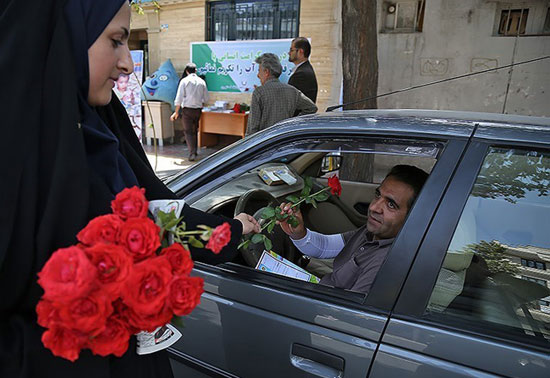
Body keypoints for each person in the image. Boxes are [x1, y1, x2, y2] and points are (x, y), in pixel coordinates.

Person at [0, 1, 259, 377]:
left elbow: (157, 208)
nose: (127, 64)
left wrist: (230, 230)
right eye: (115, 41)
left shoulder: (103, 120)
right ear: (70, 35)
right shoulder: (15, 148)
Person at [279, 165, 428, 294]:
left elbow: (346, 317)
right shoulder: (372, 233)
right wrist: (299, 233)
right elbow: (325, 247)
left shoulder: (387, 265)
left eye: (391, 205)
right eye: (378, 196)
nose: (374, 207)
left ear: (413, 218)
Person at [246, 53, 317, 136]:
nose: (258, 75)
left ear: (266, 72)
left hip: (264, 144)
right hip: (284, 142)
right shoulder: (292, 91)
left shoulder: (259, 92)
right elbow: (311, 108)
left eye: (259, 70)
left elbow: (252, 129)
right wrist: (293, 124)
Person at [170, 63, 209, 162]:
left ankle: (192, 153)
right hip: (198, 110)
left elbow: (179, 98)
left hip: (187, 109)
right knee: (194, 130)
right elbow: (206, 98)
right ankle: (194, 151)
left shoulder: (184, 81)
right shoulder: (202, 82)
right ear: (195, 71)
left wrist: (176, 112)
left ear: (187, 71)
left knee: (188, 132)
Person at [288, 37, 318, 104]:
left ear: (300, 51)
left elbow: (290, 100)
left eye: (291, 50)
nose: (289, 53)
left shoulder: (301, 74)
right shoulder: (303, 70)